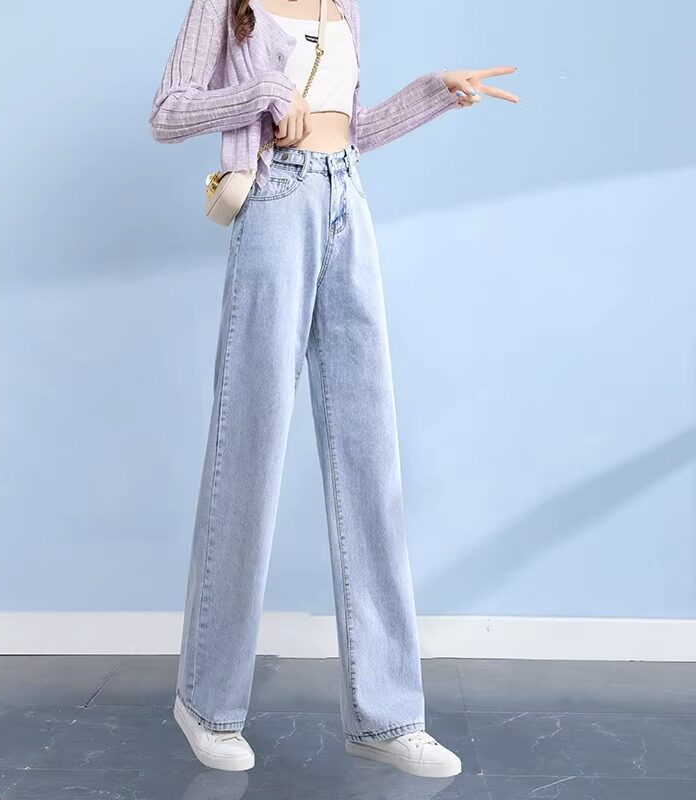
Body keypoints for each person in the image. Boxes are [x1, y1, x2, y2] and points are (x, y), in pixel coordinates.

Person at [149, 0, 518, 778]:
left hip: (348, 200)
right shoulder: (226, 5)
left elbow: (353, 129)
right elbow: (168, 112)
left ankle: (386, 717)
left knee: (370, 460)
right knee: (249, 454)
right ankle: (206, 703)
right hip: (274, 205)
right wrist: (260, 94)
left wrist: (433, 91)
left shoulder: (343, 4)